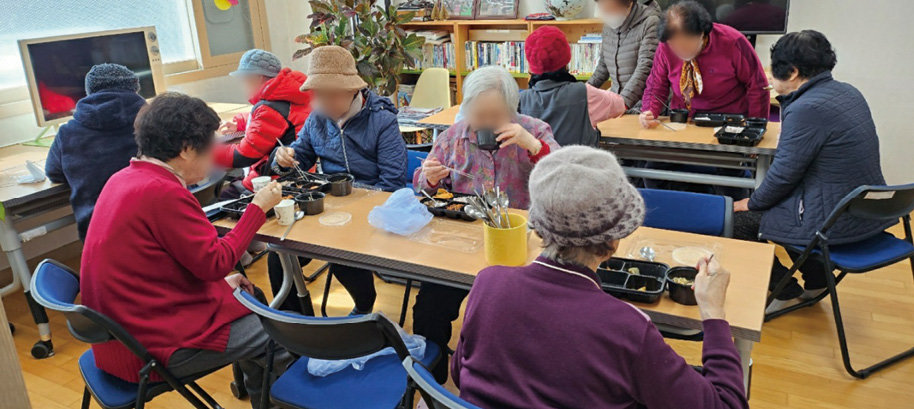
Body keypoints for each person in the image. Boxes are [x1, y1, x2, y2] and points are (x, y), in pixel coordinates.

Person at [452, 145, 748, 409]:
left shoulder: (487, 283)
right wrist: (714, 313)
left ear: (538, 228)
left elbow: (459, 373)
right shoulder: (626, 328)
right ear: (614, 241)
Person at [80, 92, 291, 409]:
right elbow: (215, 263)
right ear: (186, 150)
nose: (216, 154)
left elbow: (165, 264)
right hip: (151, 350)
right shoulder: (161, 193)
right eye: (212, 146)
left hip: (118, 339)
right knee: (283, 335)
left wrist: (221, 284)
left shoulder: (123, 178)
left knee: (251, 296)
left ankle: (262, 398)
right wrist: (257, 209)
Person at [412, 65, 560, 382]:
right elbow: (421, 186)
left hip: (518, 247)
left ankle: (510, 384)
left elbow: (565, 179)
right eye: (479, 116)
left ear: (512, 110)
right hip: (462, 244)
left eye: (496, 116)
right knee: (428, 309)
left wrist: (533, 146)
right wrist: (430, 177)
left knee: (510, 318)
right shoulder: (453, 138)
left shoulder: (533, 130)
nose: (487, 124)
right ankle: (430, 385)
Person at [731, 30, 894, 313]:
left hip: (834, 223)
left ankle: (786, 290)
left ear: (792, 72)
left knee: (734, 222)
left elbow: (783, 175)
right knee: (783, 205)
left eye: (775, 70)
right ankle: (818, 279)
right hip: (867, 213)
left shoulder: (806, 108)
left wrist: (750, 203)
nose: (771, 77)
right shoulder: (848, 92)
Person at [274, 45, 407, 315]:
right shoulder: (317, 119)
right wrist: (283, 159)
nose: (322, 104)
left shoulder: (382, 121)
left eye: (330, 96)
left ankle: (364, 304)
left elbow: (392, 183)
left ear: (352, 91)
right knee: (280, 255)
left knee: (340, 246)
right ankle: (294, 328)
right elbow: (301, 157)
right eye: (318, 96)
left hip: (369, 209)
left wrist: (348, 202)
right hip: (328, 209)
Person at [45, 63, 146, 240]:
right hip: (150, 227)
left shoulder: (67, 132)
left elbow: (54, 174)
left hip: (98, 235)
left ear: (89, 92)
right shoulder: (152, 124)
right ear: (134, 90)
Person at [639, 0, 769, 126]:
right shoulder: (665, 45)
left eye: (686, 44)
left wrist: (755, 125)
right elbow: (656, 86)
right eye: (674, 45)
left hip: (729, 121)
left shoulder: (733, 42)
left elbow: (758, 86)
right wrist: (649, 112)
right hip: (685, 121)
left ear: (702, 33)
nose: (680, 50)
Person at [216, 49, 312, 196]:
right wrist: (240, 123)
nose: (243, 86)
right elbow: (276, 120)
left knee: (223, 196)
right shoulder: (289, 93)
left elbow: (245, 155)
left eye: (244, 80)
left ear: (257, 78)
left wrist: (206, 153)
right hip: (302, 172)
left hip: (278, 180)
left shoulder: (271, 107)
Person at [519, 26, 626, 146]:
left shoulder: (520, 101)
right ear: (567, 59)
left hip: (539, 165)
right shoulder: (584, 93)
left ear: (530, 65)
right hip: (581, 163)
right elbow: (620, 105)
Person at [588, 0, 661, 112]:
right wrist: (583, 92)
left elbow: (645, 68)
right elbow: (603, 67)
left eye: (609, 9)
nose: (604, 13)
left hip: (645, 108)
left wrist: (622, 103)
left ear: (629, 4)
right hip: (618, 104)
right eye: (601, 7)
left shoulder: (650, 22)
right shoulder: (609, 27)